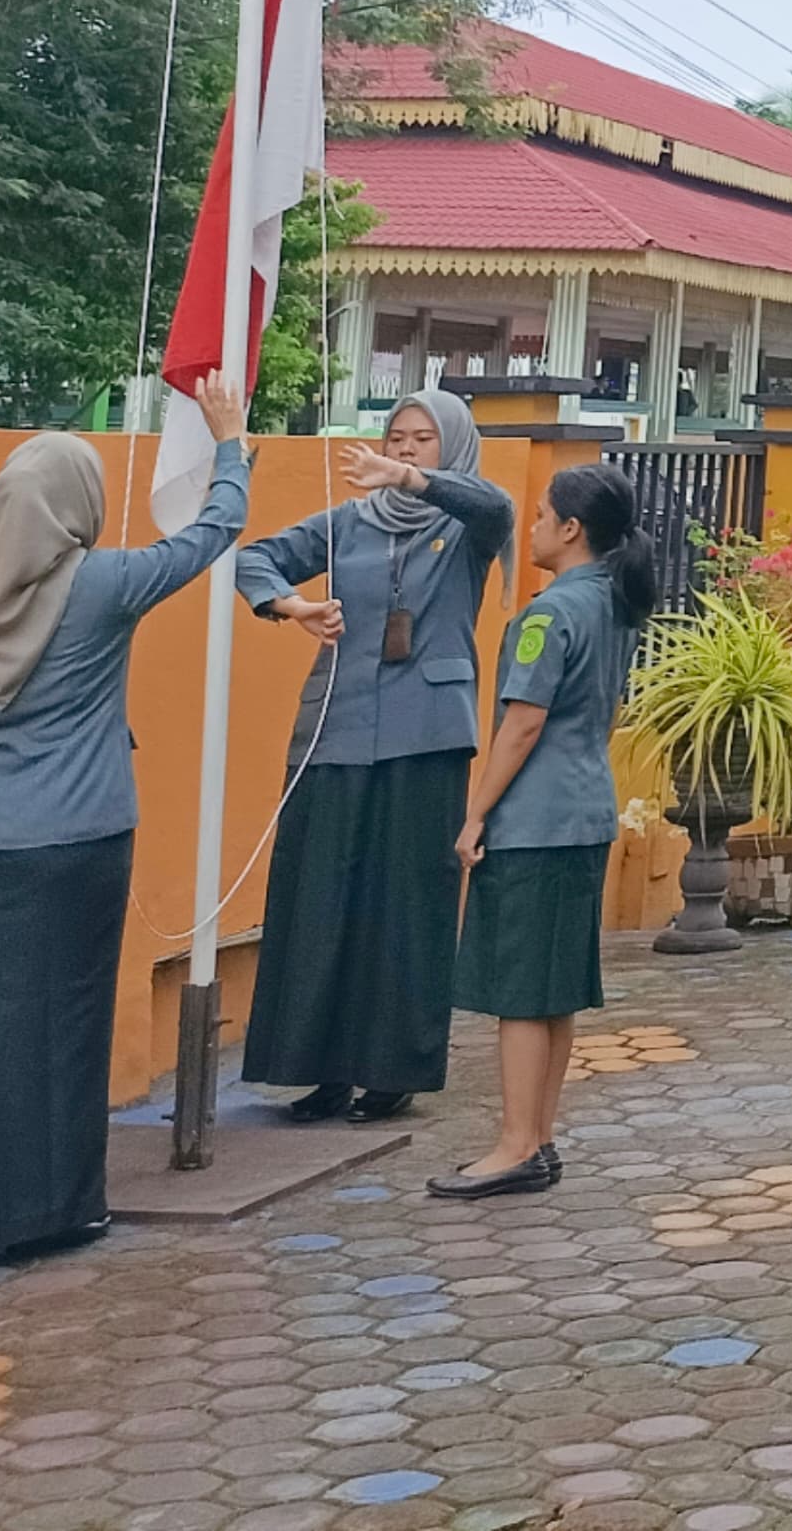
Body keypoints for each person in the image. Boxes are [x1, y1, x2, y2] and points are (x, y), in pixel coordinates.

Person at [0, 368, 257, 1278]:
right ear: (76, 506)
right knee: (59, 1025)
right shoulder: (103, 584)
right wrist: (230, 441)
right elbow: (213, 534)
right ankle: (49, 1214)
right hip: (76, 839)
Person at [233, 383, 518, 1122]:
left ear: (450, 446)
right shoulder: (348, 523)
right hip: (337, 726)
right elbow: (256, 557)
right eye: (397, 438)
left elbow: (497, 509)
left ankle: (391, 1069)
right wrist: (292, 606)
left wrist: (415, 481)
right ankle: (317, 1067)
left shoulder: (464, 526)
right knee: (321, 899)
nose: (404, 449)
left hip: (425, 734)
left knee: (404, 903)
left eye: (424, 439)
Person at [434, 460, 660, 1199]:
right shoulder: (616, 603)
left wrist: (475, 813)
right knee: (555, 988)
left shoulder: (548, 614)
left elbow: (522, 721)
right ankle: (539, 1135)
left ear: (570, 529)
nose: (530, 527)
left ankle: (513, 1143)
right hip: (586, 808)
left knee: (521, 992)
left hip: (533, 820)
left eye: (540, 516)